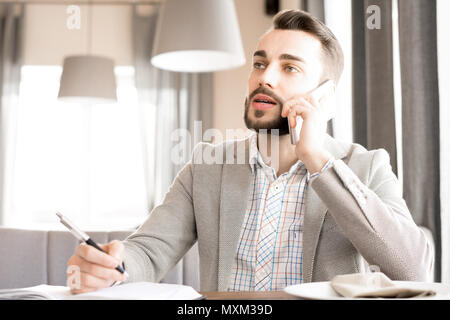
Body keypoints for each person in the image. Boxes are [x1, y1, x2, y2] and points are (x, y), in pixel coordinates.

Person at [66, 9, 433, 294]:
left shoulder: (366, 167)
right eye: (260, 63)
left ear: (325, 97)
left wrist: (317, 158)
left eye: (289, 67)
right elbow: (148, 252)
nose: (265, 77)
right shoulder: (206, 167)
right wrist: (113, 265)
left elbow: (413, 269)